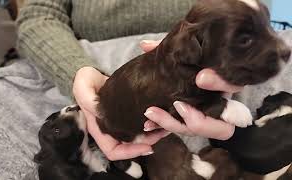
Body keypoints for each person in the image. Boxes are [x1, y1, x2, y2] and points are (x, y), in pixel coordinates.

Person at [0, 0, 291, 179]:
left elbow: (247, 17)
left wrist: (238, 48)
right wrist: (77, 72)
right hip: (89, 63)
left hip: (218, 66)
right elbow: (38, 17)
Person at [17, 0, 241, 161]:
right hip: (92, 84)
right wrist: (74, 71)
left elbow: (237, 13)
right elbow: (38, 15)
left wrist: (238, 55)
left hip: (203, 83)